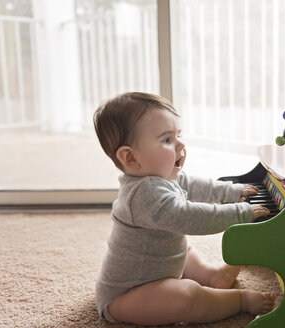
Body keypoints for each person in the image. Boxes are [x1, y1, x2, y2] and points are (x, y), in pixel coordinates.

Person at [93, 92, 275, 326]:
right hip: (126, 295)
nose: (180, 144)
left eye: (178, 135)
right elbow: (189, 217)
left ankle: (212, 276)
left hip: (160, 269)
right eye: (167, 140)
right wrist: (238, 213)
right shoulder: (143, 194)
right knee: (185, 296)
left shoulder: (164, 176)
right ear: (130, 157)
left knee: (183, 249)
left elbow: (194, 184)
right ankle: (238, 301)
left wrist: (231, 191)